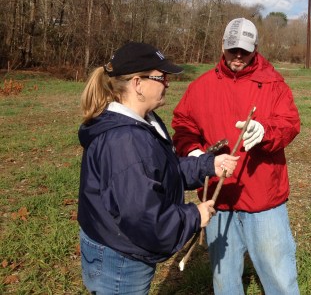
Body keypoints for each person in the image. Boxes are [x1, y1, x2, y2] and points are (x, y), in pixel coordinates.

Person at [77, 42, 238, 294]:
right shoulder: (125, 141)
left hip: (122, 246)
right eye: (161, 77)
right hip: (120, 259)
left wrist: (207, 165)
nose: (167, 83)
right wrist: (194, 216)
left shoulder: (143, 122)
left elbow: (162, 171)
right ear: (138, 84)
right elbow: (142, 216)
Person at [172, 17, 301, 295]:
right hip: (219, 199)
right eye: (233, 49)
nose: (238, 56)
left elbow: (290, 124)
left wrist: (265, 132)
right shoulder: (201, 86)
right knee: (224, 280)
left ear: (256, 48)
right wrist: (195, 153)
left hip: (263, 198)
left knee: (279, 277)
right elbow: (183, 126)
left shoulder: (274, 84)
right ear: (222, 46)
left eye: (244, 50)